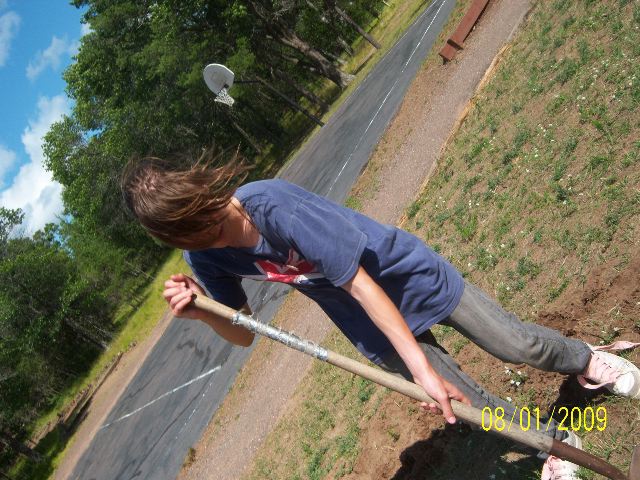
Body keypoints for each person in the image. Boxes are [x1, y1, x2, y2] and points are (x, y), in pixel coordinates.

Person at [121, 151, 639, 480]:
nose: (211, 240)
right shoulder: (204, 256)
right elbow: (243, 334)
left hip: (405, 277)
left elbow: (361, 282)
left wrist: (421, 369)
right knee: (471, 402)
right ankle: (553, 442)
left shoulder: (272, 205)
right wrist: (203, 312)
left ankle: (587, 361)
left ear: (202, 192)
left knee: (517, 344)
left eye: (207, 223)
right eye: (193, 238)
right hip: (367, 325)